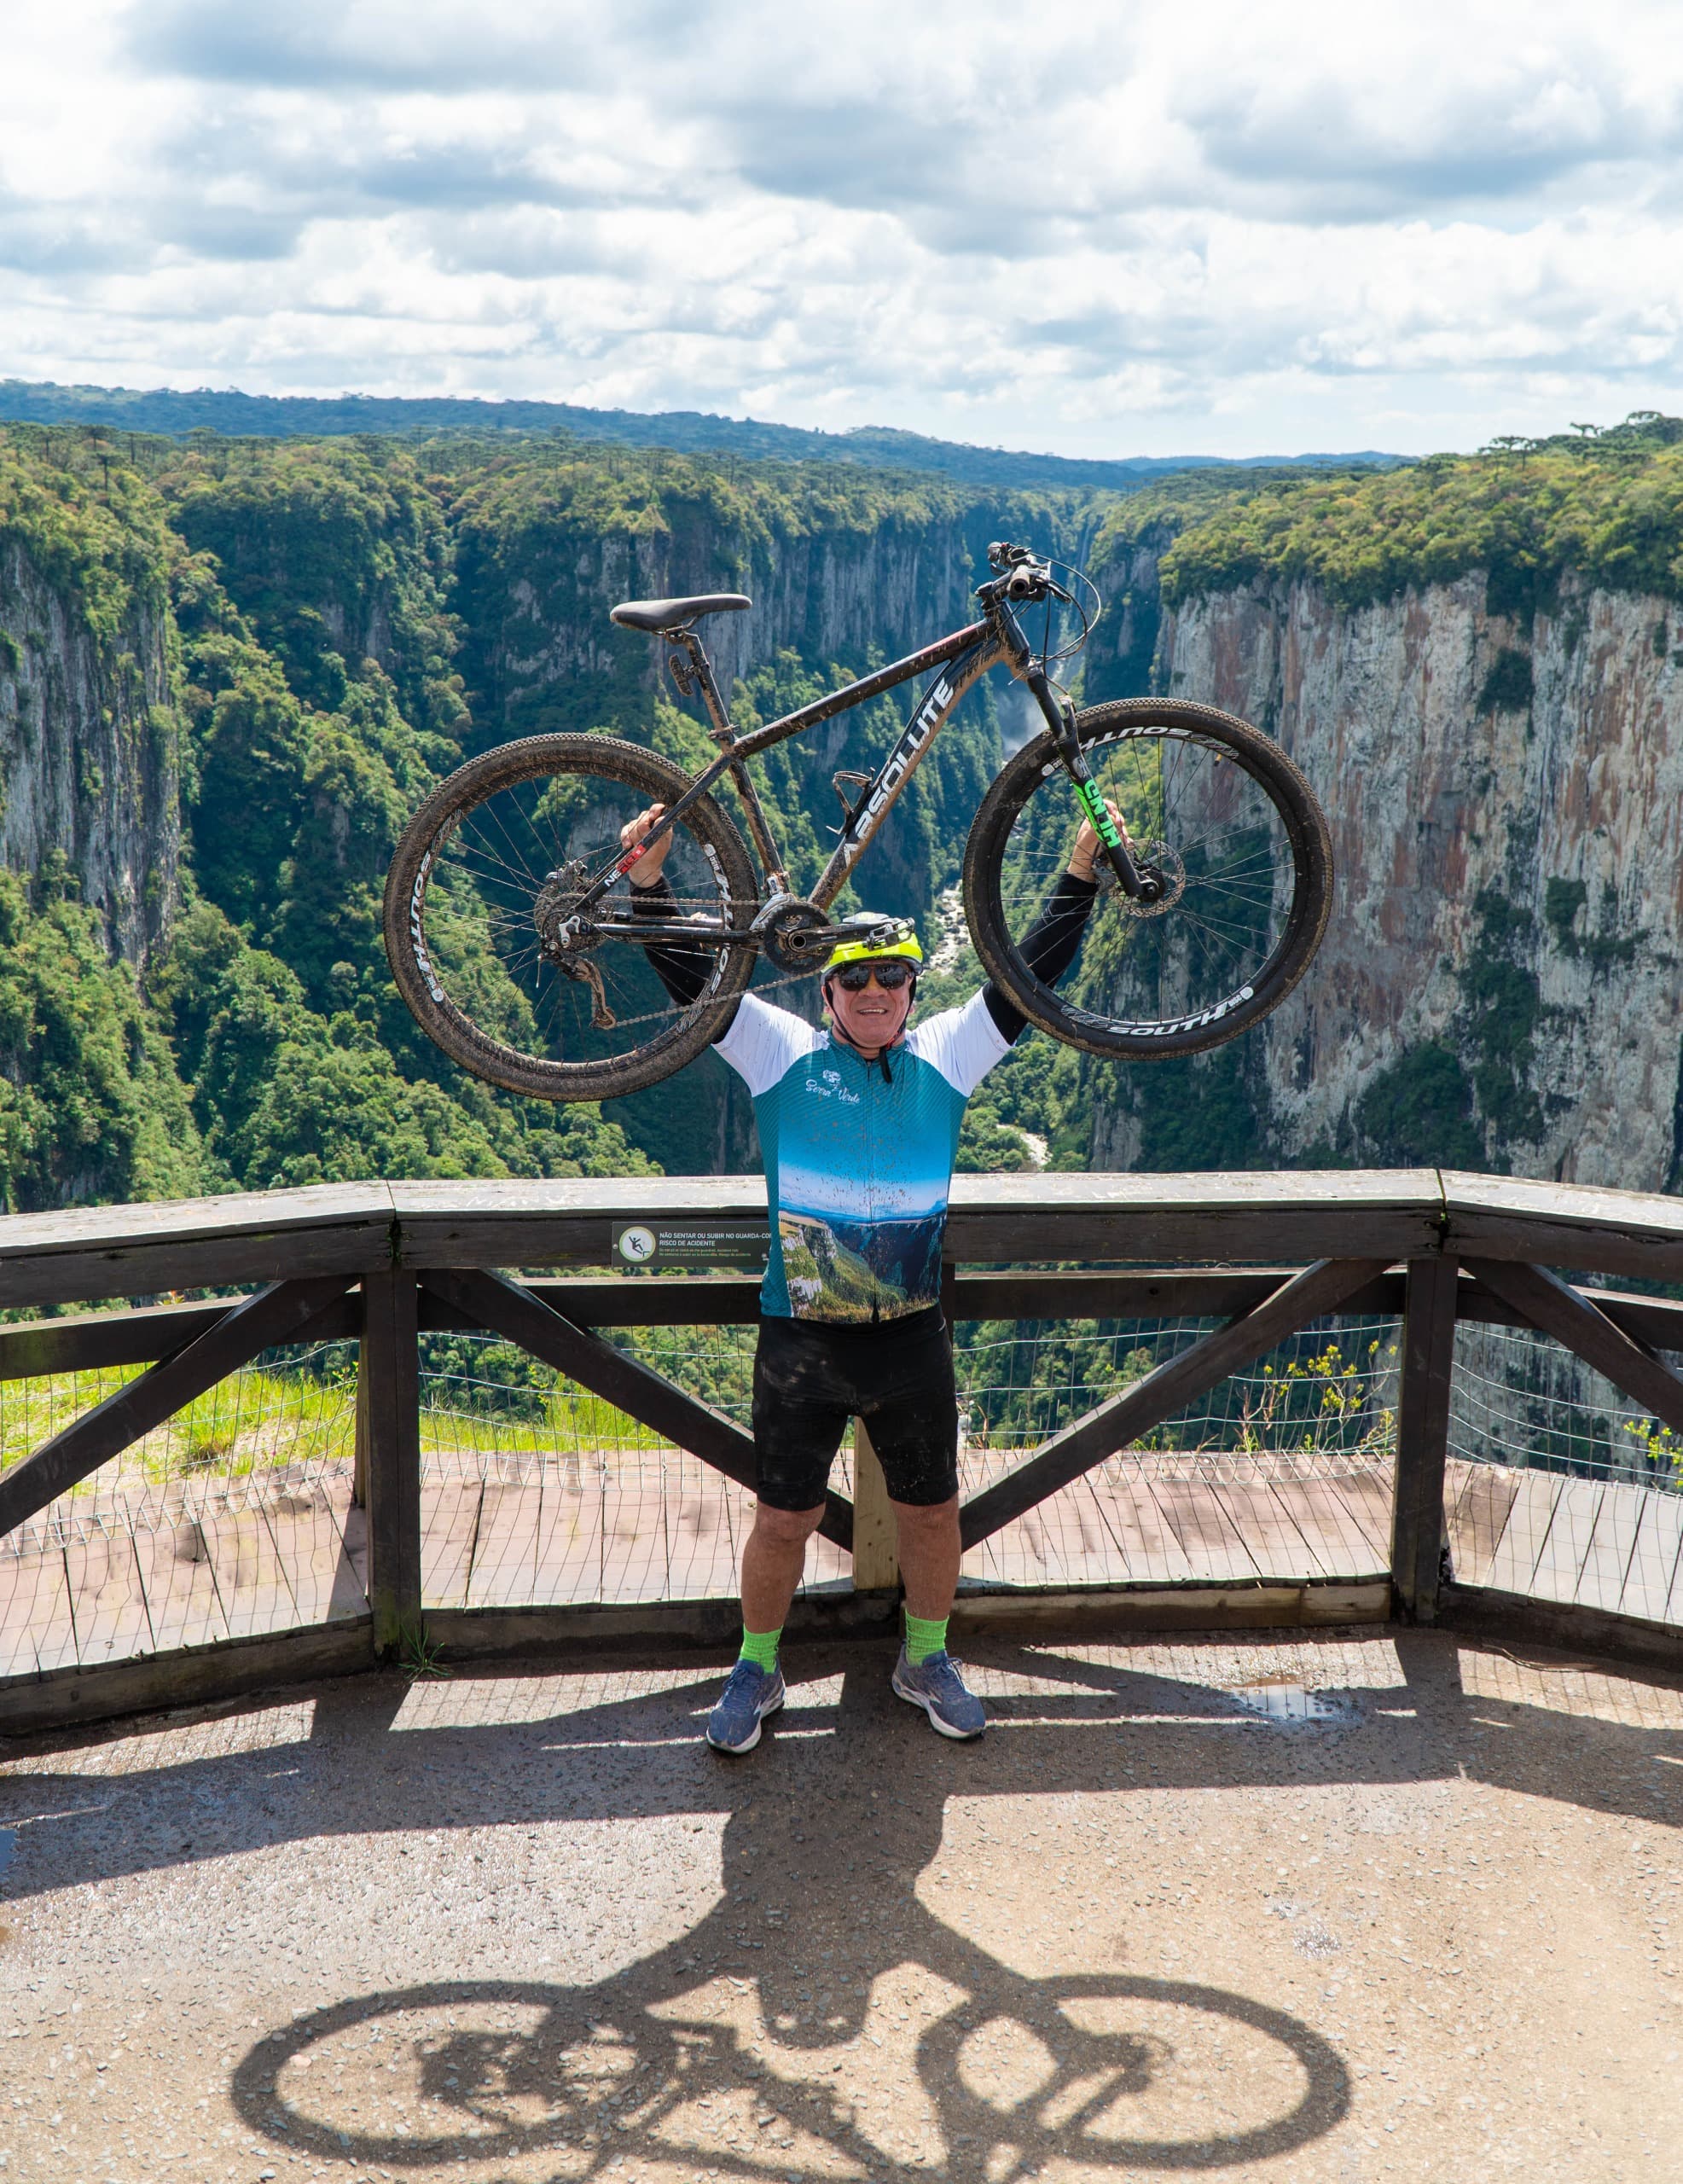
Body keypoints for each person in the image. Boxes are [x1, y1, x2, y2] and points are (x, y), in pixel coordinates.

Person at [620, 799, 1116, 1753]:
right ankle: (755, 1668)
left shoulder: (942, 1056)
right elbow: (696, 982)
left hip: (909, 1338)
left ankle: (924, 1655)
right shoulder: (781, 1054)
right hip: (800, 1339)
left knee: (931, 1515)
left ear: (911, 987)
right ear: (829, 991)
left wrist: (1080, 876)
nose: (878, 992)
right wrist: (650, 890)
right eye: (858, 978)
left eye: (893, 976)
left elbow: (1026, 980)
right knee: (782, 1520)